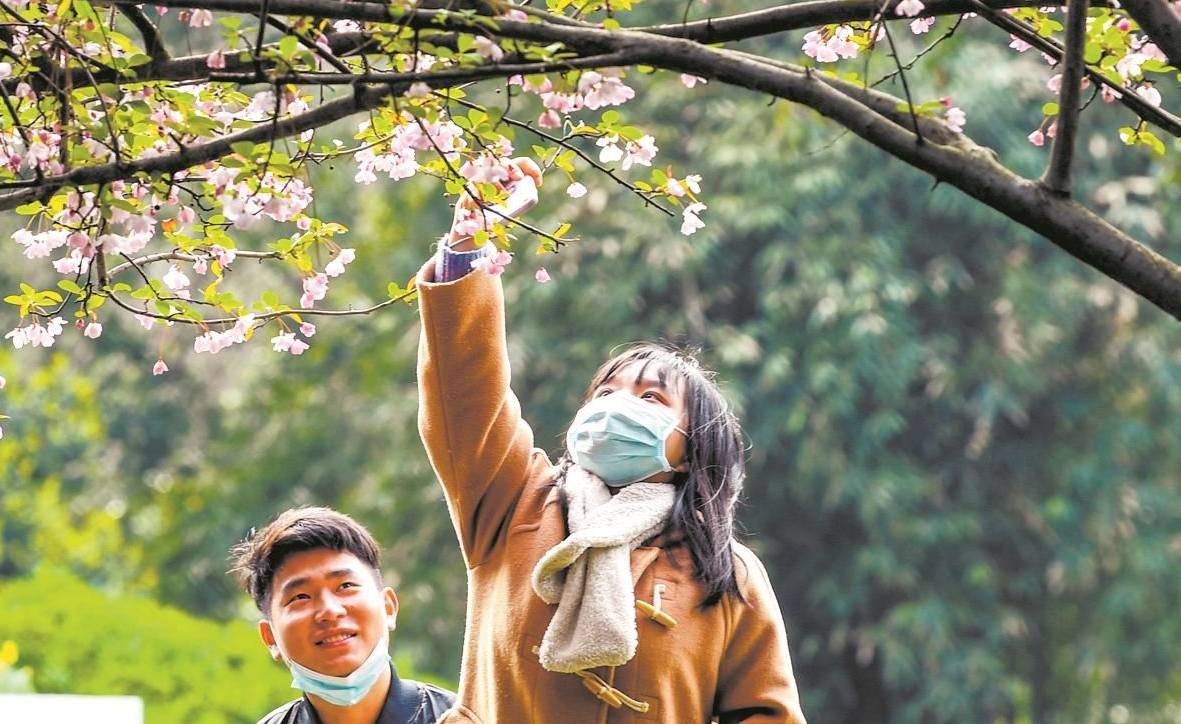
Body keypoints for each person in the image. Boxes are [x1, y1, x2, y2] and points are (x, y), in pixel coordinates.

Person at [415, 157, 805, 722]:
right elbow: (465, 396)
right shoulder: (513, 501)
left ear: (692, 445)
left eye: (651, 398)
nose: (619, 405)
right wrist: (469, 244)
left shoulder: (727, 572)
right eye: (607, 391)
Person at [231, 506, 457, 724]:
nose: (329, 611)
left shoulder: (468, 718)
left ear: (388, 607)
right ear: (270, 638)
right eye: (300, 597)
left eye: (345, 586)